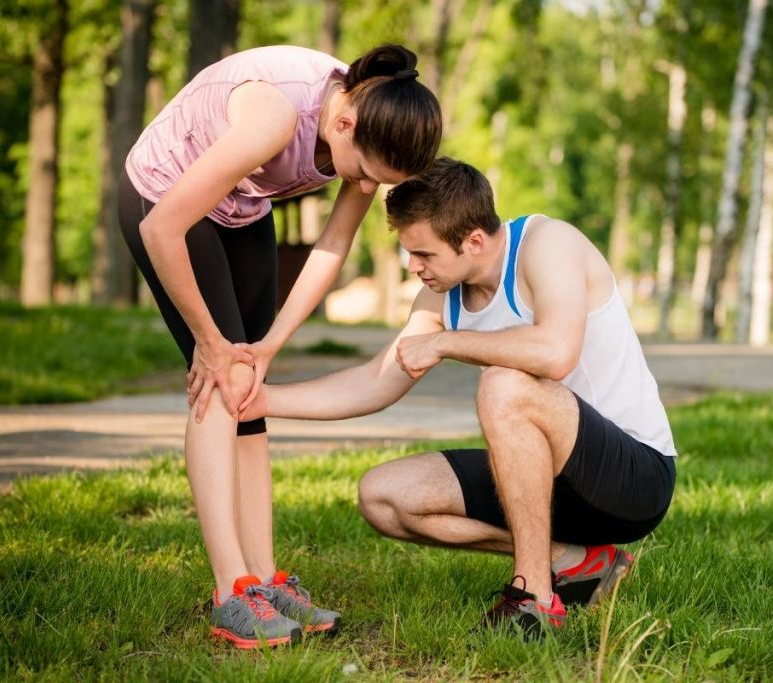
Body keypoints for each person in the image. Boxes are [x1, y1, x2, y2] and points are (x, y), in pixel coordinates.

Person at [236, 158, 677, 637]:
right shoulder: (440, 296)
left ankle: (533, 599)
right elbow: (376, 379)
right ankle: (577, 561)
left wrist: (446, 342)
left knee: (503, 383)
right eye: (409, 252)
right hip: (544, 484)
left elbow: (555, 353)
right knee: (384, 497)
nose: (414, 267)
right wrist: (263, 401)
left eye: (424, 254)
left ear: (473, 241)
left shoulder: (548, 245)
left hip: (632, 479)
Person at [117, 44, 441, 648]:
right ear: (344, 122)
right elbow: (161, 227)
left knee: (249, 386)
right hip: (165, 199)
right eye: (365, 172)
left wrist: (266, 346)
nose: (365, 186)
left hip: (240, 206)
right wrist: (212, 343)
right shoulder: (275, 115)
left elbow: (332, 249)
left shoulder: (367, 125)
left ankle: (263, 578)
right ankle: (228, 592)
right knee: (219, 377)